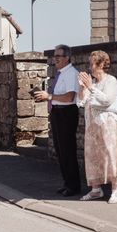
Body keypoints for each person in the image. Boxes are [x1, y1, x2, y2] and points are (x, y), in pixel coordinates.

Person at [77, 50, 117, 203]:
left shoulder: (110, 80)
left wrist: (90, 87)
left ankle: (115, 189)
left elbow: (107, 100)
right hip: (92, 124)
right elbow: (80, 103)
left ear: (100, 64)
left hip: (109, 123)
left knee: (111, 154)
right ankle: (96, 189)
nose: (89, 67)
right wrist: (82, 88)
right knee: (93, 155)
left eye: (92, 63)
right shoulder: (92, 82)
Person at [33, 44, 81, 197]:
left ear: (67, 58)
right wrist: (46, 96)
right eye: (54, 56)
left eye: (58, 57)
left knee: (68, 150)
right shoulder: (60, 73)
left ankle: (74, 186)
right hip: (57, 112)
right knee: (61, 151)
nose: (55, 59)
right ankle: (67, 183)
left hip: (66, 113)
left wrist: (50, 97)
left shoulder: (71, 73)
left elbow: (70, 97)